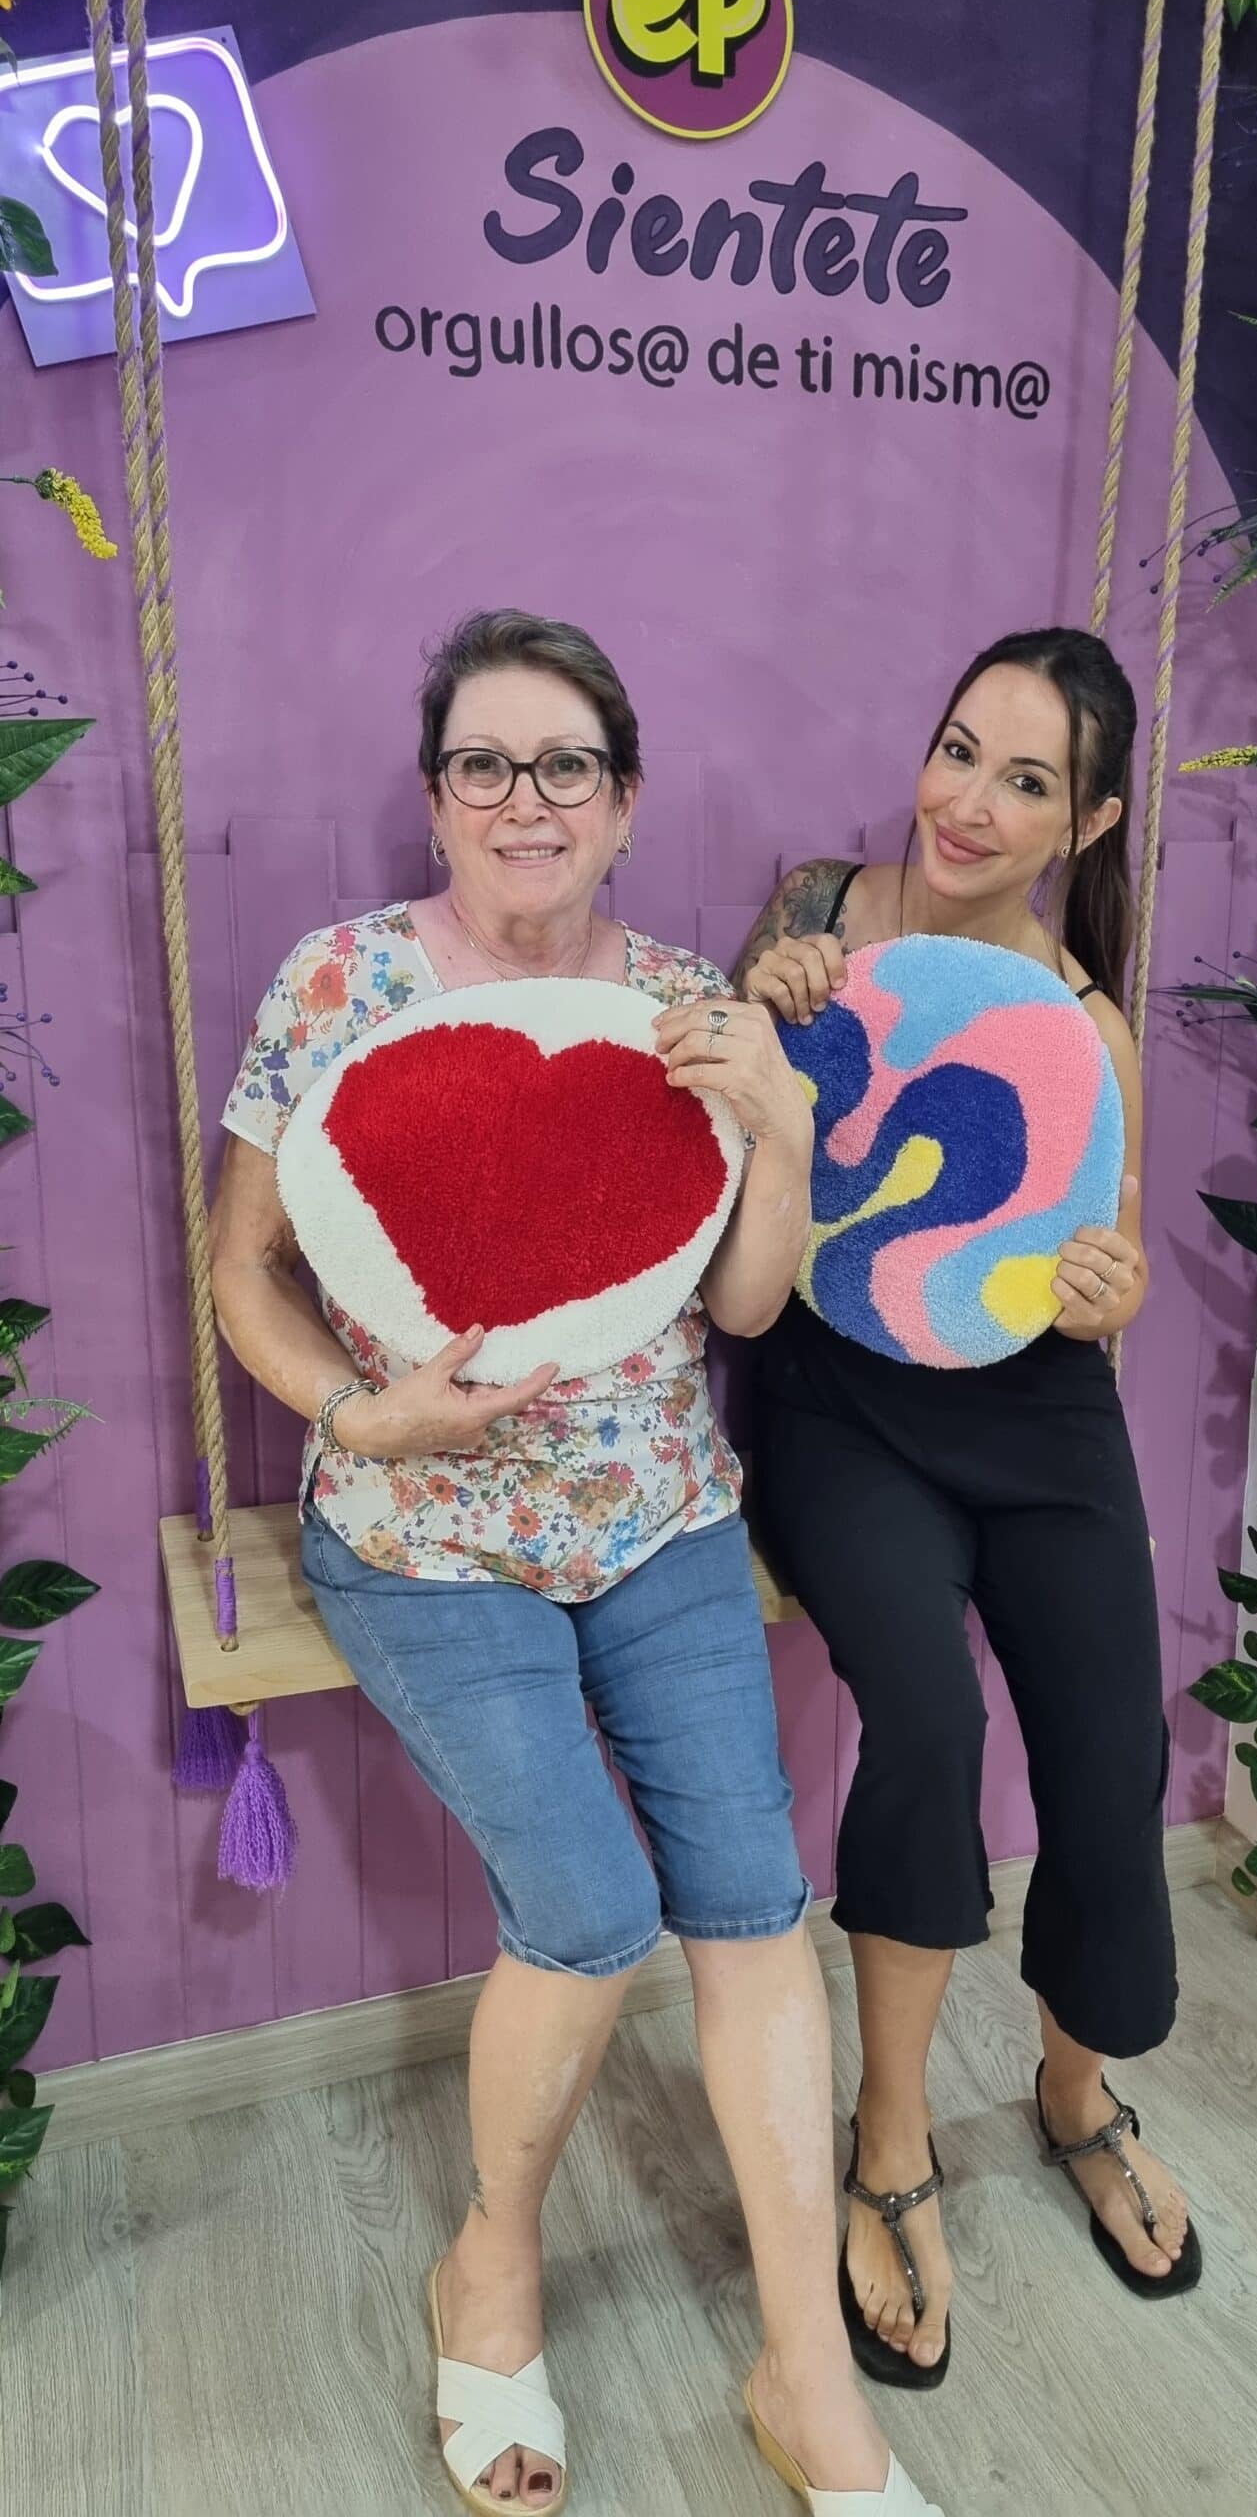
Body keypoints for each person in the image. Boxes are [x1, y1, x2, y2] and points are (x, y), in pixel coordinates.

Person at [210, 610, 942, 2517]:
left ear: (623, 804)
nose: (522, 801)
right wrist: (356, 1418)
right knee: (596, 1912)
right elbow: (244, 1271)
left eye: (565, 768)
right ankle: (492, 2264)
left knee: (755, 1906)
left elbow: (747, 1304)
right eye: (484, 764)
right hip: (425, 1536)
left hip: (663, 1520)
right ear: (436, 796)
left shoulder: (688, 1006)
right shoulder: (339, 984)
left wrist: (779, 1128)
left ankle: (805, 2369)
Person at [737, 626, 1203, 2397]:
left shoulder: (1087, 1026)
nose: (971, 803)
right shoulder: (816, 916)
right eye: (957, 750)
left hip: (1034, 1410)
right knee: (925, 1718)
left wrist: (1110, 1289)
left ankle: (1076, 2092)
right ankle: (888, 2141)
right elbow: (734, 1161)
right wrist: (762, 1011)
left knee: (1110, 1741)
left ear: (1087, 823)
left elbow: (1110, 1270)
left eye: (1026, 781)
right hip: (841, 1398)